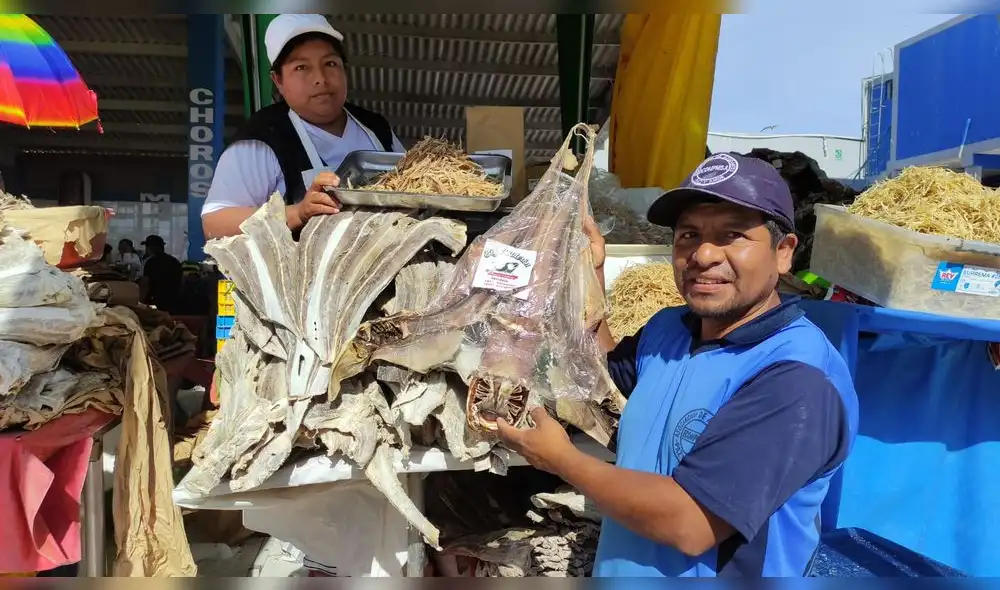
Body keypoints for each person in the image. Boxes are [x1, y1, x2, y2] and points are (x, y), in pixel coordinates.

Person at [497, 153, 860, 577]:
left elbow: (691, 523)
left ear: (783, 253)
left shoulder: (797, 377)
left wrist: (560, 459)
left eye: (732, 235)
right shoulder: (668, 330)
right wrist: (589, 270)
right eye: (688, 234)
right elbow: (596, 378)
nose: (703, 254)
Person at [201, 14, 405, 239]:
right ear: (278, 80)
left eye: (330, 63)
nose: (320, 78)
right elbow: (215, 224)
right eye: (301, 67)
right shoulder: (261, 140)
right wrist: (297, 212)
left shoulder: (376, 128)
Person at [139, 235, 183, 313]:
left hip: (154, 303)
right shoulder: (174, 261)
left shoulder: (149, 261)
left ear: (149, 248)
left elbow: (145, 283)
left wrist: (140, 303)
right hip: (174, 302)